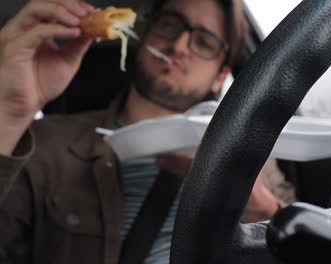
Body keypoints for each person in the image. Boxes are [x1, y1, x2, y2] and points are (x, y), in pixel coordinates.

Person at [0, 0, 296, 263]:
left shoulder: (251, 159)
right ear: (146, 34)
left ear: (220, 77)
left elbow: (305, 244)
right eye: (170, 24)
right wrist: (10, 112)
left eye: (204, 42)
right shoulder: (45, 142)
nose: (179, 46)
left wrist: (262, 211)